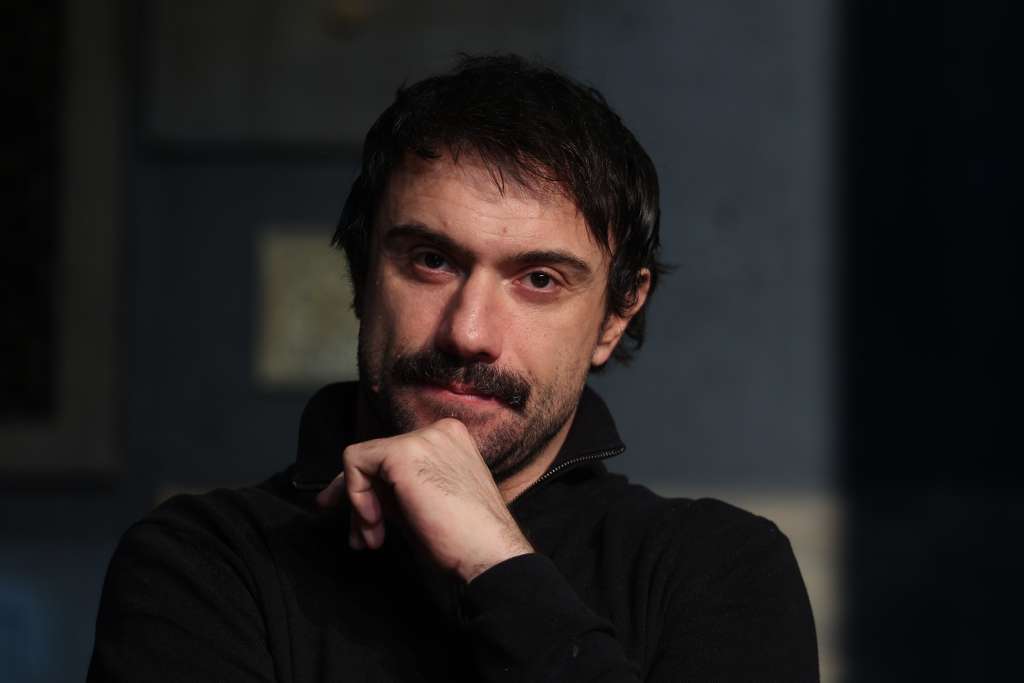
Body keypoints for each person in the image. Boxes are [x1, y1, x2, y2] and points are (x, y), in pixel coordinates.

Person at [89, 54, 819, 681]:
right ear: (360, 273)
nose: (468, 333)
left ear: (617, 316)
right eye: (432, 261)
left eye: (539, 279)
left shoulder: (717, 569)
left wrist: (496, 564)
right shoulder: (204, 560)